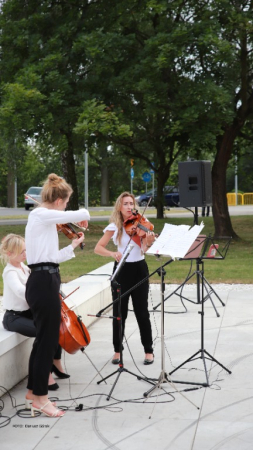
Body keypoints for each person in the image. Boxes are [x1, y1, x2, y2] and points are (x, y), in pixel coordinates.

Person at [25, 173, 90, 418]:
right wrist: (83, 214)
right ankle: (42, 399)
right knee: (48, 341)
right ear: (60, 200)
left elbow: (51, 257)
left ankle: (33, 393)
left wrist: (72, 246)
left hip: (47, 277)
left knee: (44, 340)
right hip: (42, 281)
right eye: (67, 201)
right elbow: (80, 215)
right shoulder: (39, 214)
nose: (66, 206)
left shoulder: (44, 222)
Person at [0, 234, 68, 404]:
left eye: (25, 250)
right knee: (43, 332)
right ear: (9, 253)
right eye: (21, 252)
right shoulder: (9, 272)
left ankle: (55, 363)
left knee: (54, 324)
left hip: (30, 312)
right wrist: (42, 296)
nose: (25, 254)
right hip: (14, 317)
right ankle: (43, 376)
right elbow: (22, 293)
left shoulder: (25, 267)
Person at [94, 192, 155, 365]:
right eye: (125, 204)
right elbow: (98, 248)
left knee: (142, 312)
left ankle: (148, 350)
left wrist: (148, 242)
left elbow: (144, 249)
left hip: (139, 269)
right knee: (119, 313)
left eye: (131, 204)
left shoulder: (141, 223)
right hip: (121, 270)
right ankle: (117, 350)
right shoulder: (115, 226)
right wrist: (112, 253)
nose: (129, 207)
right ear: (119, 207)